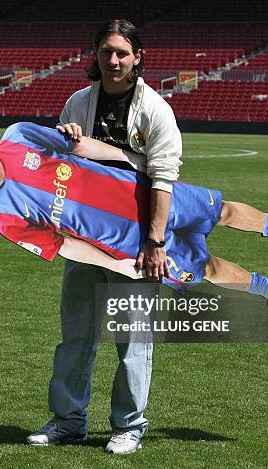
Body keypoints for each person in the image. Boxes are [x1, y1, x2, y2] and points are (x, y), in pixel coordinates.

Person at [0, 122, 268, 450]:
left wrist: (130, 158)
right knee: (208, 269)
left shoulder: (17, 137)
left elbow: (76, 146)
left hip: (147, 195)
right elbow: (66, 245)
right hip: (134, 247)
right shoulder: (7, 220)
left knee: (222, 211)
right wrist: (116, 263)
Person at [42, 18, 182, 454]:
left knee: (132, 340)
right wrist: (65, 143)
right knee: (77, 336)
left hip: (135, 244)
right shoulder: (78, 104)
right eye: (107, 52)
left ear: (138, 58)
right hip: (84, 241)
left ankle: (129, 426)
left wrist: (155, 243)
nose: (114, 60)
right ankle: (68, 421)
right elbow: (58, 173)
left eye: (122, 52)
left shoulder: (155, 110)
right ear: (96, 56)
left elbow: (164, 180)